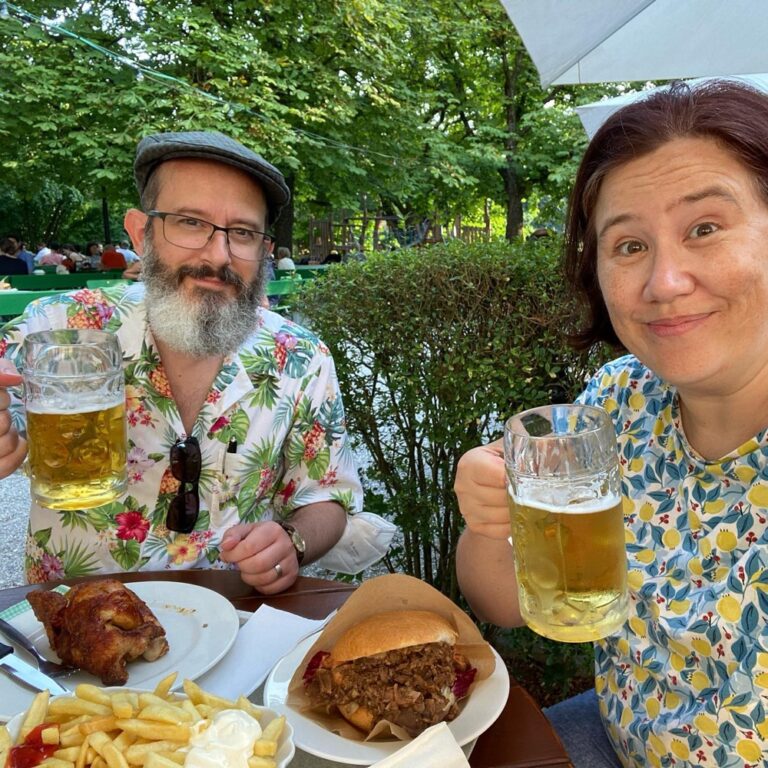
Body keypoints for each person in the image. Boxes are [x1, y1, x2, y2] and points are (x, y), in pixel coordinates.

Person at [454, 79, 768, 768]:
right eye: (628, 245)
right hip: (615, 739)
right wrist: (489, 524)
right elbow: (504, 606)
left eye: (704, 228)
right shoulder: (618, 400)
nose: (664, 281)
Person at [0, 130, 363, 594]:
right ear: (141, 233)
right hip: (76, 633)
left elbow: (329, 496)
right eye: (190, 222)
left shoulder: (301, 357)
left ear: (264, 251)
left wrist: (293, 542)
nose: (218, 255)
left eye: (243, 233)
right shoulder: (54, 329)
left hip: (236, 627)